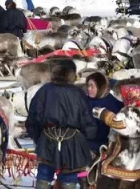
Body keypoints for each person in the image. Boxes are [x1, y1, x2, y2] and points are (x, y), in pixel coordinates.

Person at [26, 59, 97, 189]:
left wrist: (38, 138)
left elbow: (33, 117)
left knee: (44, 174)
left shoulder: (45, 90)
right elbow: (87, 120)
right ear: (72, 74)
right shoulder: (78, 93)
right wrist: (87, 140)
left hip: (47, 139)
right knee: (68, 176)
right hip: (72, 142)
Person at [85, 72, 123, 154]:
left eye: (92, 86)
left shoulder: (112, 103)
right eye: (88, 86)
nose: (89, 89)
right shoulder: (83, 100)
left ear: (100, 87)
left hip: (100, 144)